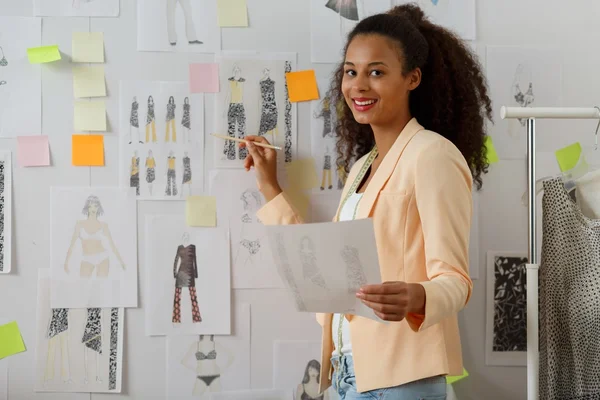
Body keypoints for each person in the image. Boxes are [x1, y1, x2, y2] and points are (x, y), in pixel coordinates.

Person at [240, 4, 492, 399]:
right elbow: (326, 274)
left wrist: (417, 295)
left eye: (376, 72)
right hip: (346, 376)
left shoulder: (432, 156)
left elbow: (456, 281)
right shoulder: (362, 168)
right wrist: (270, 187)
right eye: (350, 71)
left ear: (412, 78)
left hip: (402, 381)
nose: (358, 85)